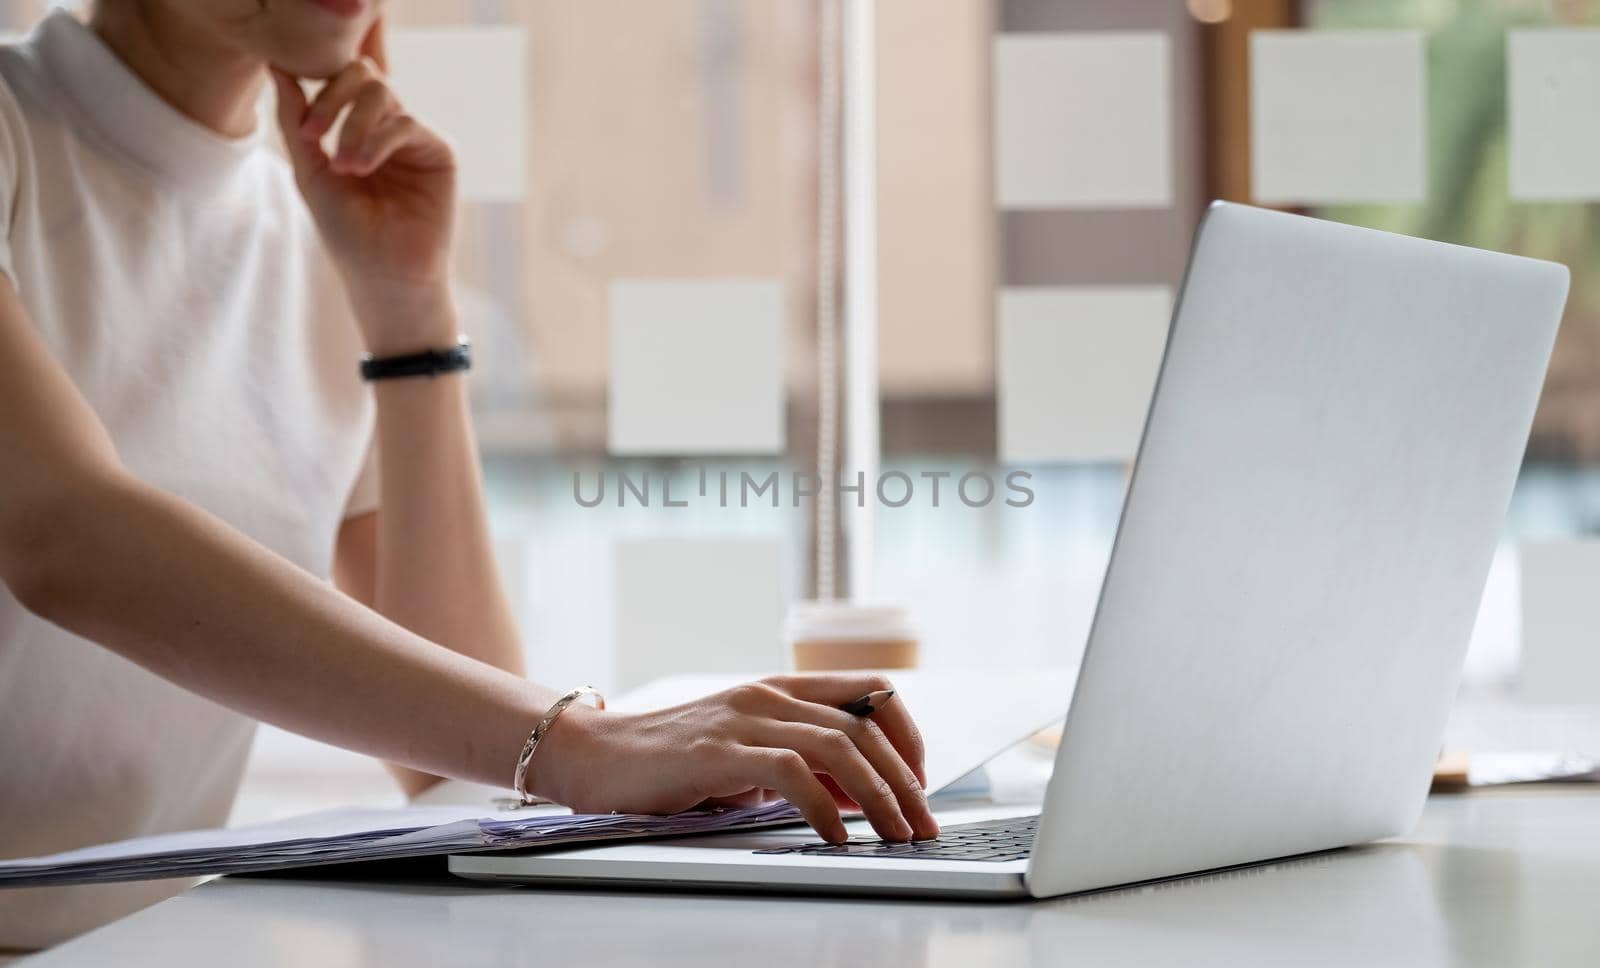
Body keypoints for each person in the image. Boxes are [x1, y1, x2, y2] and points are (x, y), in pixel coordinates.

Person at [0, 0, 936, 949]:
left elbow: (463, 767)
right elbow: (63, 531)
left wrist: (406, 315)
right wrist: (583, 744)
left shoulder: (307, 232)